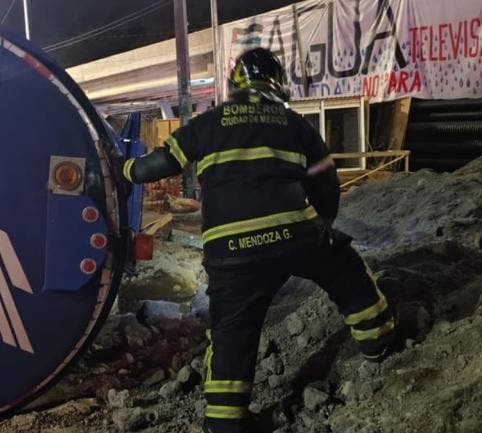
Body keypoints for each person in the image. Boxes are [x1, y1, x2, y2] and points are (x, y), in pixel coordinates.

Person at [122, 48, 396, 433]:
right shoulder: (294, 123)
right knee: (347, 271)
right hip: (294, 234)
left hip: (231, 253)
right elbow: (326, 183)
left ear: (235, 85)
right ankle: (380, 342)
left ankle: (225, 419)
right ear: (277, 84)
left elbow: (157, 165)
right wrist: (325, 226)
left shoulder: (209, 123)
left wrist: (126, 168)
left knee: (232, 330)